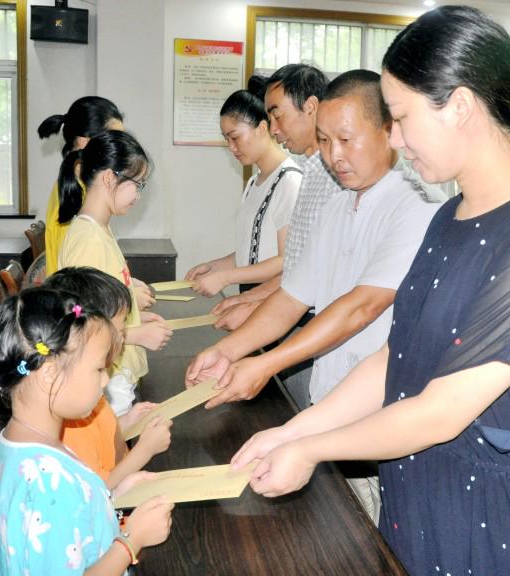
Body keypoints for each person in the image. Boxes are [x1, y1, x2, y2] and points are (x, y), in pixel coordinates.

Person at [230, 6, 510, 576]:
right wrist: (294, 430)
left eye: (400, 117)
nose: (394, 138)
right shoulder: (448, 218)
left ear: (458, 106)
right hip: (424, 489)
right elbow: (397, 356)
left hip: (500, 522)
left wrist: (312, 449)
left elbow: (440, 411)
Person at [188, 70, 442, 522]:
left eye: (346, 139)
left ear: (390, 131)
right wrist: (226, 351)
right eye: (324, 141)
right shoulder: (340, 203)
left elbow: (361, 308)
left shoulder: (416, 205)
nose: (334, 156)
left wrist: (265, 364)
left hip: (377, 420)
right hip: (327, 405)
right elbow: (292, 296)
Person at [0, 287, 173, 576]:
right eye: (98, 369)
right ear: (49, 375)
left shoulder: (16, 441)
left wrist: (108, 494)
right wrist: (131, 540)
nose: (105, 380)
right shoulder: (50, 481)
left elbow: (57, 540)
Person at [210, 63, 339, 333]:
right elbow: (295, 265)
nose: (275, 129)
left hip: (309, 317)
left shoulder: (307, 179)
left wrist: (248, 301)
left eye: (278, 117)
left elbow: (297, 270)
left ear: (311, 107)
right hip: (287, 306)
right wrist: (242, 295)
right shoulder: (312, 174)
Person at [58, 130, 172, 416]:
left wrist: (133, 316)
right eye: (138, 184)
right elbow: (81, 321)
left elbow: (103, 304)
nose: (138, 194)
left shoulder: (100, 229)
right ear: (110, 178)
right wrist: (136, 334)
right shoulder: (89, 239)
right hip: (107, 378)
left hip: (114, 371)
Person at [46, 267, 172, 489]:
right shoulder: (74, 409)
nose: (122, 338)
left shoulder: (89, 383)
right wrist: (144, 451)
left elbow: (101, 440)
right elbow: (96, 487)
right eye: (120, 328)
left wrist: (127, 422)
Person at [185, 76, 301, 297]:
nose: (231, 147)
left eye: (235, 137)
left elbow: (286, 261)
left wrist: (225, 277)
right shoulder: (253, 183)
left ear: (262, 128)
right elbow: (255, 252)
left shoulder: (289, 182)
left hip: (277, 299)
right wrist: (217, 267)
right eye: (226, 140)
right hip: (252, 297)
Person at [38, 96, 155, 310]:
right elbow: (84, 301)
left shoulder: (83, 192)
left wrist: (125, 285)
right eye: (112, 136)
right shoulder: (83, 199)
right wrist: (127, 300)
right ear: (84, 142)